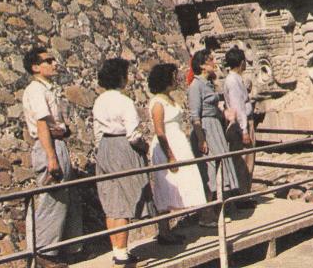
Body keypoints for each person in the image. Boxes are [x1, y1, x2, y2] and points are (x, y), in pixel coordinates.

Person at [92, 58, 168, 265]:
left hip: (106, 147)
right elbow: (133, 135)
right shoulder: (124, 101)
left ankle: (118, 250)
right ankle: (122, 252)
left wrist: (102, 152)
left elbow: (97, 133)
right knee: (125, 198)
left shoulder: (99, 101)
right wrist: (144, 148)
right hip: (123, 147)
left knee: (111, 198)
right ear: (121, 77)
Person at [21, 46, 82, 268]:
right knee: (52, 199)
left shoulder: (48, 89)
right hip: (49, 147)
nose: (54, 63)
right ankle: (44, 253)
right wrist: (51, 158)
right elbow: (41, 124)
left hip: (56, 144)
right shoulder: (36, 90)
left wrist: (61, 131)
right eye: (48, 60)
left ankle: (56, 250)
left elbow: (55, 126)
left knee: (63, 198)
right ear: (35, 67)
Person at [147, 63, 206, 242]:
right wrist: (170, 156)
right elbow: (159, 131)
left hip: (179, 143)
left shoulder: (170, 99)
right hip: (167, 146)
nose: (176, 79)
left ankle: (169, 229)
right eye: (173, 76)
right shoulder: (157, 102)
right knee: (166, 186)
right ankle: (164, 231)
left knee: (181, 185)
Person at [188, 49, 240, 226]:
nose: (214, 62)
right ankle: (206, 215)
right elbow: (195, 116)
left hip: (215, 126)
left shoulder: (208, 84)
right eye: (211, 60)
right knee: (209, 169)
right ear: (202, 65)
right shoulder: (196, 86)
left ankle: (216, 211)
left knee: (219, 166)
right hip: (206, 128)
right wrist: (201, 138)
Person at [222, 46, 256, 201]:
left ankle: (244, 194)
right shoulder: (233, 81)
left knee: (245, 159)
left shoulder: (235, 79)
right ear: (242, 62)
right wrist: (244, 130)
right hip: (242, 123)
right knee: (244, 160)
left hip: (243, 121)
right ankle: (243, 196)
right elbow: (238, 107)